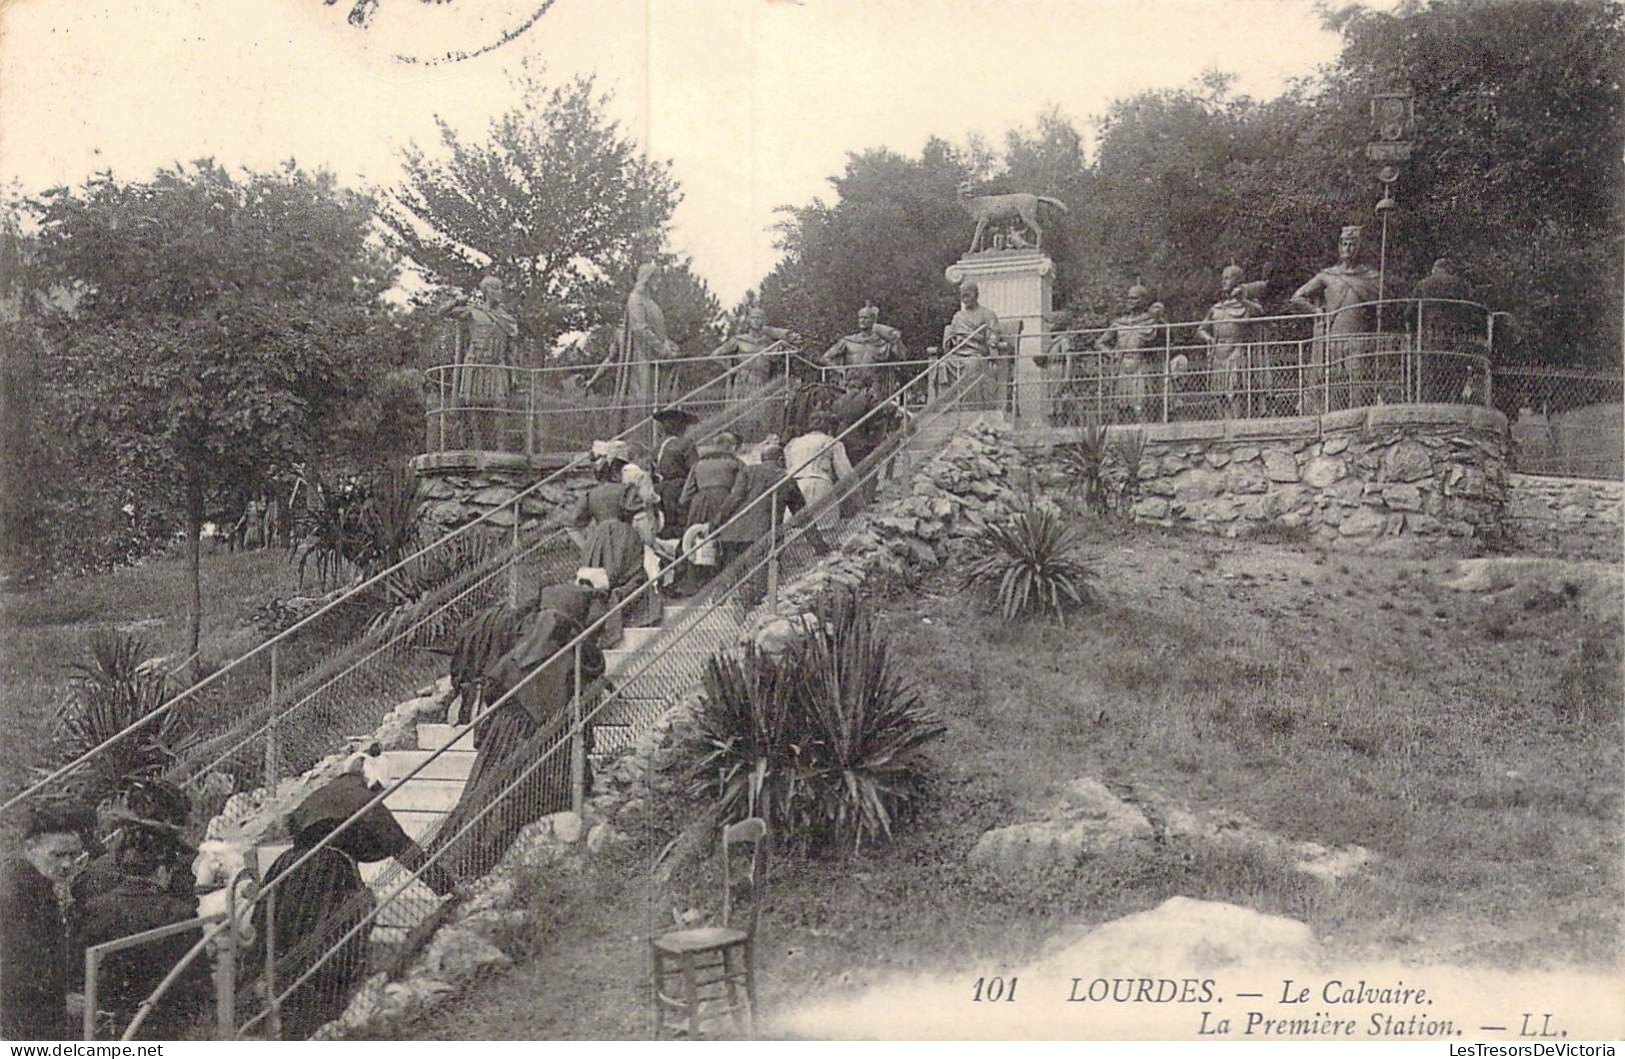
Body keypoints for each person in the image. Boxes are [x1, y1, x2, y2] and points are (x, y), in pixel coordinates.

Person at [423, 584, 606, 898]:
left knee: (487, 793)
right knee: (507, 799)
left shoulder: (520, 654)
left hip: (504, 734)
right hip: (538, 738)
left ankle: (457, 862)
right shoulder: (574, 659)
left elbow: (493, 686)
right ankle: (478, 864)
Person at [258, 769, 416, 1040]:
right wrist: (448, 886)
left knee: (288, 940)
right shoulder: (367, 802)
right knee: (337, 934)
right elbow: (405, 848)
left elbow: (291, 826)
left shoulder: (320, 794)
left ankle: (287, 1019)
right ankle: (324, 1011)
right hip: (327, 871)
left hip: (289, 868)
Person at [74, 812, 209, 1040]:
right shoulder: (179, 912)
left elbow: (77, 967)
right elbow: (197, 977)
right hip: (161, 1018)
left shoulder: (93, 907)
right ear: (162, 871)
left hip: (105, 1016)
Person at [1, 801, 91, 1039]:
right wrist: (58, 1003)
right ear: (30, 848)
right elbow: (15, 967)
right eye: (58, 855)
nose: (67, 864)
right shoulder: (17, 893)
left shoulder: (31, 882)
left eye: (74, 855)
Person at [569, 442, 658, 643]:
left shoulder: (591, 494)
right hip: (624, 538)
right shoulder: (627, 491)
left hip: (597, 541)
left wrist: (586, 545)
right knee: (632, 576)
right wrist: (649, 543)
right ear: (620, 470)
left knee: (599, 580)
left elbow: (572, 525)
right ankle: (624, 614)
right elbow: (641, 520)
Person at [1291, 225, 1383, 411]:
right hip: (1333, 339)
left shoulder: (1371, 276)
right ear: (1339, 247)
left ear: (1359, 248)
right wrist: (1315, 311)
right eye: (1344, 244)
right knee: (1332, 382)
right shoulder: (1328, 276)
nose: (1347, 248)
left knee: (1357, 382)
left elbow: (1383, 301)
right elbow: (1297, 297)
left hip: (1358, 339)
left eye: (1352, 244)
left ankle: (1358, 418)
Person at [715, 444, 806, 606]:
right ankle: (749, 605)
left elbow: (733, 499)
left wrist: (716, 522)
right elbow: (803, 515)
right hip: (764, 535)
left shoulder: (748, 471)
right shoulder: (785, 478)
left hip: (735, 532)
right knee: (759, 578)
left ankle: (722, 599)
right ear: (780, 460)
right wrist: (822, 548)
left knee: (734, 571)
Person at [442, 275, 520, 451]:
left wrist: (513, 375)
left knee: (499, 408)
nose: (500, 293)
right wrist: (456, 301)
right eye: (495, 289)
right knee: (474, 409)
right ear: (486, 291)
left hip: (497, 366)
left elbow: (510, 351)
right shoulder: (473, 312)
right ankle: (475, 450)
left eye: (501, 289)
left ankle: (500, 451)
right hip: (476, 364)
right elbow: (442, 313)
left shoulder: (507, 319)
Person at [676, 432, 751, 595]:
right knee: (726, 539)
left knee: (695, 540)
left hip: (699, 501)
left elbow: (685, 495)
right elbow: (741, 490)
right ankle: (724, 583)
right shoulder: (736, 463)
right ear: (731, 447)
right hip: (724, 500)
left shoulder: (698, 464)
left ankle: (693, 583)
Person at [1197, 266, 1266, 419]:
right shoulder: (1216, 308)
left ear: (1237, 280)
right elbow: (1201, 328)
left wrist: (1243, 299)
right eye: (1223, 278)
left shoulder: (1247, 305)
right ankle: (1223, 423)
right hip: (1218, 353)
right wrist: (1209, 339)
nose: (1224, 281)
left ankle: (1237, 422)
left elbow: (1260, 312)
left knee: (1234, 391)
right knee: (1219, 393)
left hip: (1236, 351)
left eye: (1228, 278)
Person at [1094, 283, 1167, 423]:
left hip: (1141, 366)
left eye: (1134, 298)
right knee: (1121, 407)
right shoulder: (1120, 323)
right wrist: (1111, 354)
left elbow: (1164, 338)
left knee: (1141, 406)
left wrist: (1159, 317)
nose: (1130, 301)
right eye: (1129, 298)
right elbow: (1099, 343)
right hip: (1122, 367)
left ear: (1143, 301)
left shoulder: (1150, 321)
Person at [783, 412, 852, 553]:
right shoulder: (831, 442)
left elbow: (787, 467)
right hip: (820, 484)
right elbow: (845, 472)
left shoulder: (794, 443)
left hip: (795, 486)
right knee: (823, 529)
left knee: (796, 531)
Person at [937, 281, 1008, 409]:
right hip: (959, 352)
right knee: (943, 365)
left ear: (976, 295)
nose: (964, 300)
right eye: (962, 297)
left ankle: (970, 406)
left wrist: (992, 341)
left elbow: (994, 332)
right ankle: (948, 406)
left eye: (967, 296)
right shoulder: (958, 316)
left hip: (977, 352)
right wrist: (951, 339)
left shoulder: (987, 314)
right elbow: (951, 333)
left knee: (973, 364)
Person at [822, 304, 905, 394]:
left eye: (866, 318)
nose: (863, 320)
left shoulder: (882, 343)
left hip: (875, 389)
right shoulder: (848, 341)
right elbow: (825, 357)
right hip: (851, 387)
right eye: (860, 318)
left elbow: (901, 356)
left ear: (873, 321)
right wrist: (839, 370)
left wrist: (896, 339)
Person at [712, 306, 799, 389]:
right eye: (753, 318)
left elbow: (789, 351)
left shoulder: (768, 343)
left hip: (762, 382)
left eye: (759, 318)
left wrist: (781, 338)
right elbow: (715, 355)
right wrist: (729, 368)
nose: (756, 321)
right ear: (748, 320)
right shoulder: (739, 340)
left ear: (763, 321)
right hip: (743, 382)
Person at [650, 407, 699, 531]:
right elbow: (695, 468)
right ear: (681, 426)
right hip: (679, 488)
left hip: (659, 488)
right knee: (680, 522)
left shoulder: (657, 447)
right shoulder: (686, 443)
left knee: (664, 523)